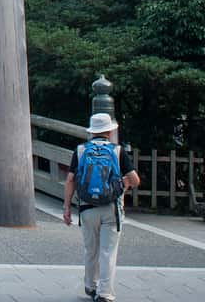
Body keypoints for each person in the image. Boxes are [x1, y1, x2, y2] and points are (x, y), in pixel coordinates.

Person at [63, 113, 140, 302]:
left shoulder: (81, 150)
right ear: (109, 131)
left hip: (87, 208)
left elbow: (70, 180)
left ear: (92, 131)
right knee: (108, 251)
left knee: (91, 249)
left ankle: (90, 285)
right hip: (111, 208)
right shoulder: (117, 151)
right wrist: (122, 186)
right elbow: (135, 180)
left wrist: (66, 208)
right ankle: (105, 293)